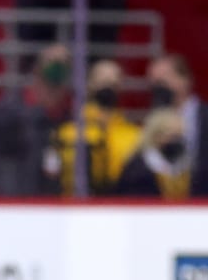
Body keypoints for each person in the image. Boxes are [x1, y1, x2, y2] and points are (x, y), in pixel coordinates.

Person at [0, 43, 71, 195]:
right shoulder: (9, 114)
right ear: (36, 71)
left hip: (57, 204)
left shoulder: (71, 117)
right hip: (15, 203)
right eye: (52, 68)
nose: (53, 90)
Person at [54, 58, 142, 196]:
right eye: (103, 82)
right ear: (90, 84)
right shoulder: (68, 132)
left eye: (113, 82)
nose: (108, 88)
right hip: (73, 209)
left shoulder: (135, 135)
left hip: (119, 208)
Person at [116, 108, 193, 198]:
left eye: (180, 136)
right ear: (156, 136)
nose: (177, 141)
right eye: (173, 136)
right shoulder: (137, 170)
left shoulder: (185, 168)